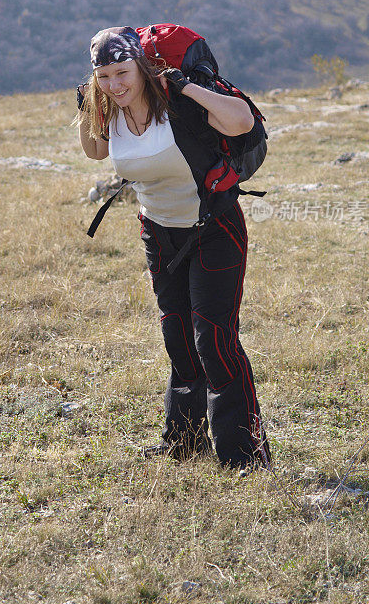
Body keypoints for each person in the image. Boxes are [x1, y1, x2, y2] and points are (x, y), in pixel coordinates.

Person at [76, 26, 271, 473]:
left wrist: (186, 85)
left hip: (213, 228)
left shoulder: (179, 101)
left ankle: (244, 457)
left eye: (122, 72)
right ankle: (183, 443)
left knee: (214, 341)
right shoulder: (109, 107)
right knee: (179, 341)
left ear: (142, 67)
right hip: (159, 234)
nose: (115, 84)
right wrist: (91, 104)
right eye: (103, 76)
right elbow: (94, 152)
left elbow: (241, 122)